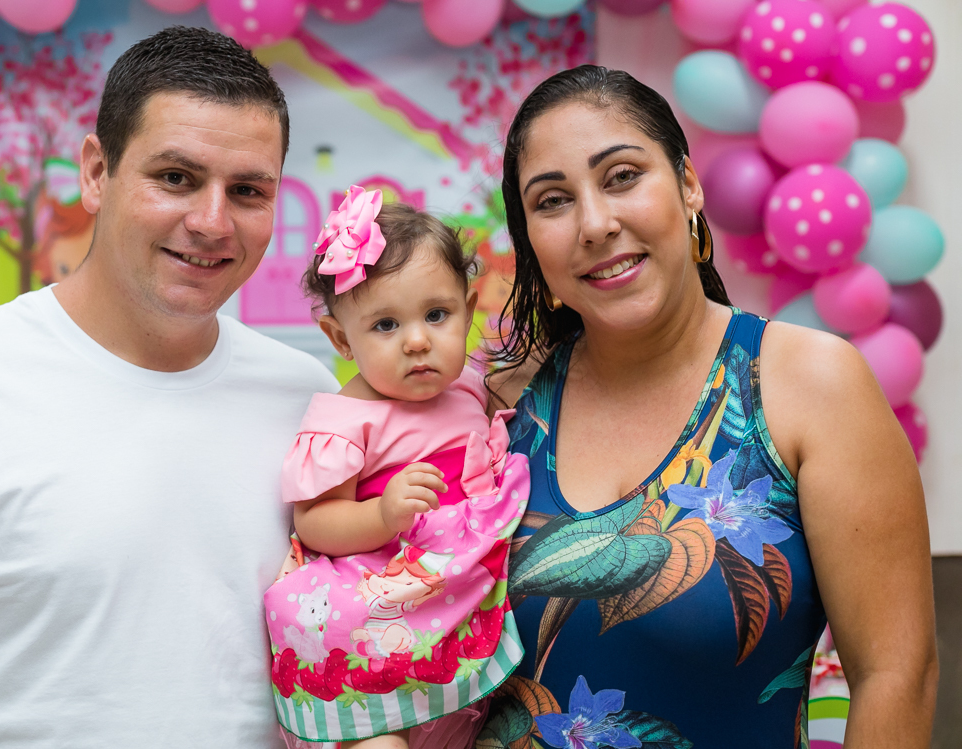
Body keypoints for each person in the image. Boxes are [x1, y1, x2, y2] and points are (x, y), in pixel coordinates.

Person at [0, 27, 339, 748]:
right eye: (175, 177)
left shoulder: (309, 398)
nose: (211, 220)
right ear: (96, 171)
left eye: (248, 191)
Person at [480, 65, 937, 748]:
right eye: (552, 201)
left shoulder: (809, 383)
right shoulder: (500, 407)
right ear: (531, 245)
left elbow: (897, 675)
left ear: (688, 185)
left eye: (623, 176)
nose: (596, 223)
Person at [265, 195, 527, 748]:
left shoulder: (468, 388)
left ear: (469, 308)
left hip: (457, 592)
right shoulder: (344, 420)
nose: (417, 340)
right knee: (378, 735)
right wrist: (381, 514)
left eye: (438, 315)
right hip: (382, 601)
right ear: (341, 339)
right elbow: (315, 523)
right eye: (386, 324)